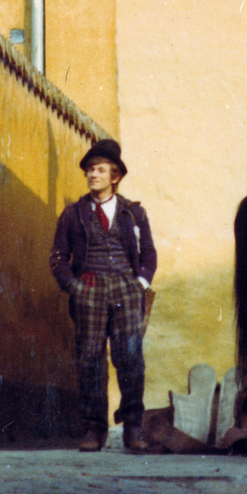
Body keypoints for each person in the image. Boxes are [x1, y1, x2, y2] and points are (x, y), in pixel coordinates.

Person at [49, 138, 156, 453]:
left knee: (130, 357)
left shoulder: (133, 213)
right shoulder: (73, 213)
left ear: (115, 177)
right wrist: (75, 287)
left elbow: (149, 253)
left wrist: (140, 283)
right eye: (89, 170)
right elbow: (58, 258)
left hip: (126, 288)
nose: (92, 175)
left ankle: (133, 428)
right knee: (90, 359)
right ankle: (94, 430)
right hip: (89, 289)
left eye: (99, 170)